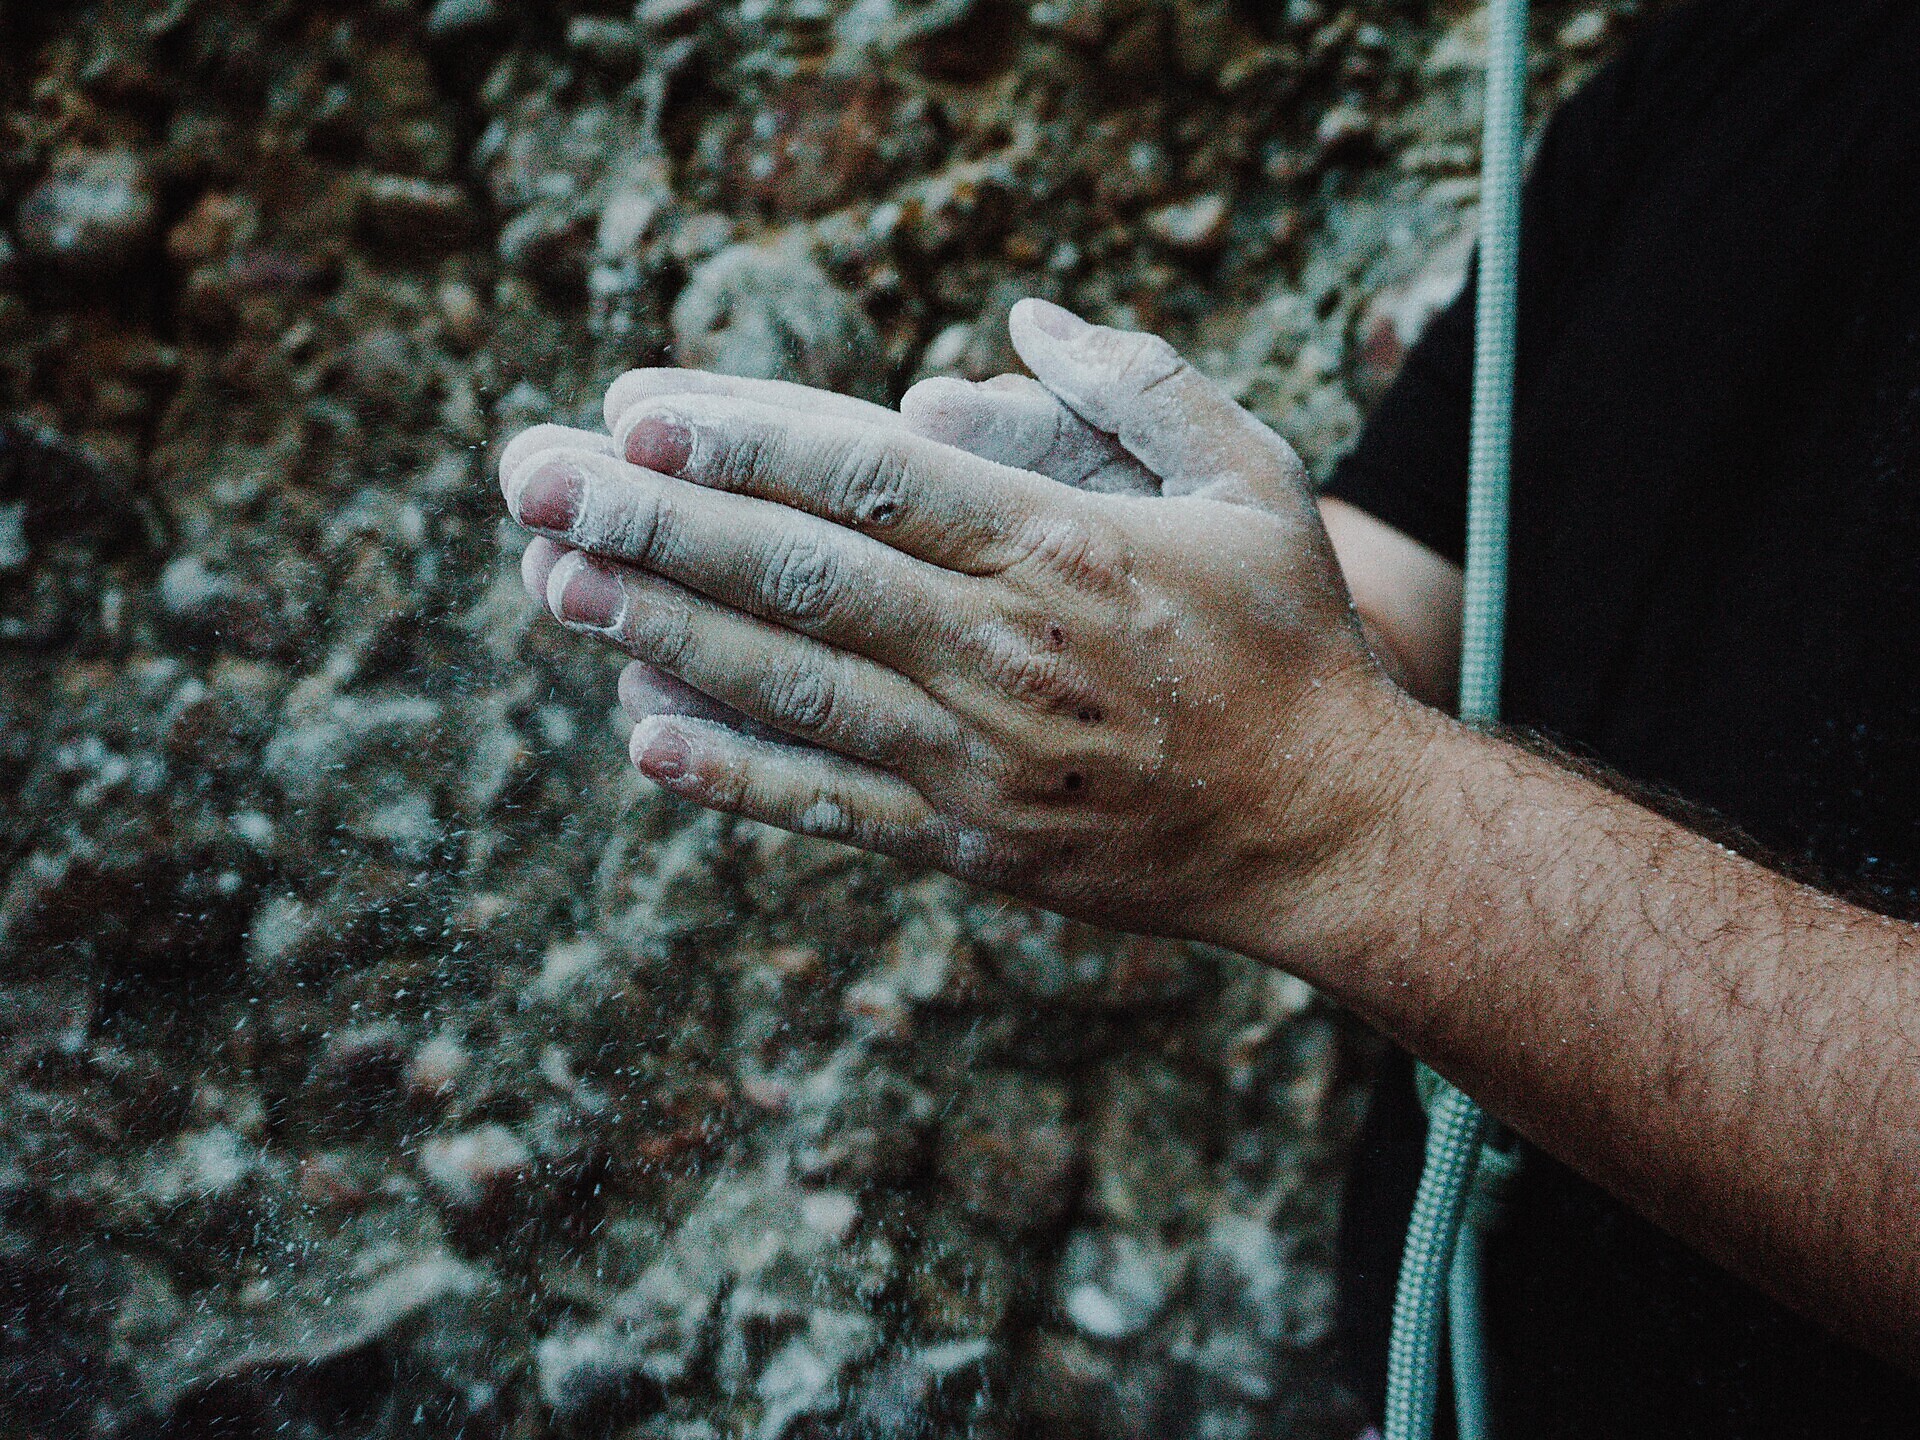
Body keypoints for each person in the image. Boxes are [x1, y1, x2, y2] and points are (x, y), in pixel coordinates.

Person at [496, 0, 1920, 1432]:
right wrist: (1103, 594)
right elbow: (1404, 588)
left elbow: (1337, 754)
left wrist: (1324, 804)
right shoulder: (1723, 70)